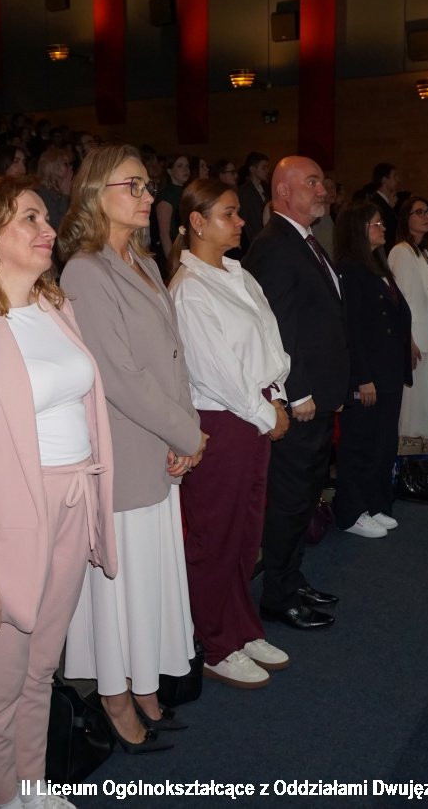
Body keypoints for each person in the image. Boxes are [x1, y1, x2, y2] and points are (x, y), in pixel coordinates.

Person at [0, 175, 117, 809]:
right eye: (30, 219)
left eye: (46, 217)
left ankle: (32, 787)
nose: (48, 230)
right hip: (9, 520)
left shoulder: (55, 307)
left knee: (41, 668)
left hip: (73, 498)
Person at [59, 144, 205, 752]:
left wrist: (186, 427)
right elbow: (119, 377)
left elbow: (174, 357)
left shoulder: (142, 261)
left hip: (159, 445)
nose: (148, 196)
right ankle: (115, 694)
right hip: (124, 448)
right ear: (97, 194)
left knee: (149, 579)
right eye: (134, 186)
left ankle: (144, 683)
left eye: (148, 186)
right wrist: (186, 433)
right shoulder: (84, 271)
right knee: (121, 586)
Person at [168, 178, 292, 689]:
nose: (241, 222)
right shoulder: (190, 288)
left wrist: (278, 393)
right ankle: (216, 641)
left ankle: (242, 626)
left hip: (255, 410)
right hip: (223, 420)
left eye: (239, 213)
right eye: (229, 213)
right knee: (216, 535)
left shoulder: (238, 274)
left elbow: (269, 341)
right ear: (197, 222)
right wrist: (265, 414)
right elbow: (213, 370)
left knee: (246, 531)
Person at [243, 155, 348, 631]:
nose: (322, 190)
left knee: (305, 495)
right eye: (312, 182)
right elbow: (277, 326)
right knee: (289, 499)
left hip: (319, 395)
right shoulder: (274, 246)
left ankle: (291, 577)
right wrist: (299, 390)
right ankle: (278, 595)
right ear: (283, 191)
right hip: (300, 399)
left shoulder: (305, 240)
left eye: (321, 182)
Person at [333, 200, 411, 538]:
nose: (382, 227)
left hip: (389, 370)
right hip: (369, 375)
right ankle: (351, 511)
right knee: (361, 444)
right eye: (375, 223)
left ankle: (376, 503)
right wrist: (362, 377)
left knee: (383, 443)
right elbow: (352, 329)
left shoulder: (377, 264)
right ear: (358, 229)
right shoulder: (351, 269)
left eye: (381, 222)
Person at [389, 196, 428, 450]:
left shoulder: (422, 252)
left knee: (426, 408)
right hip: (415, 344)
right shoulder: (401, 252)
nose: (426, 216)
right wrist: (409, 341)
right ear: (405, 219)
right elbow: (401, 302)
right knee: (412, 411)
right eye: (418, 212)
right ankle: (407, 464)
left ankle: (421, 461)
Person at [155, 153, 190, 261]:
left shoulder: (187, 191)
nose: (185, 169)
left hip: (187, 249)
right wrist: (172, 263)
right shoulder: (167, 195)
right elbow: (164, 235)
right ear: (170, 171)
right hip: (173, 251)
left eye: (187, 166)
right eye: (180, 166)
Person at [236, 151, 271, 253]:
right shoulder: (245, 191)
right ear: (252, 169)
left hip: (265, 235)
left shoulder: (265, 187)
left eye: (267, 167)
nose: (267, 170)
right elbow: (248, 220)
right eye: (264, 167)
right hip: (254, 240)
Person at [35, 145, 73, 232]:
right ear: (54, 167)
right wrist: (65, 195)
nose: (70, 168)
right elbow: (57, 226)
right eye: (66, 164)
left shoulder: (62, 189)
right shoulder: (41, 193)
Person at [367, 163, 400, 243]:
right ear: (384, 180)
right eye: (394, 176)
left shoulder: (385, 202)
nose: (398, 179)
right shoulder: (377, 203)